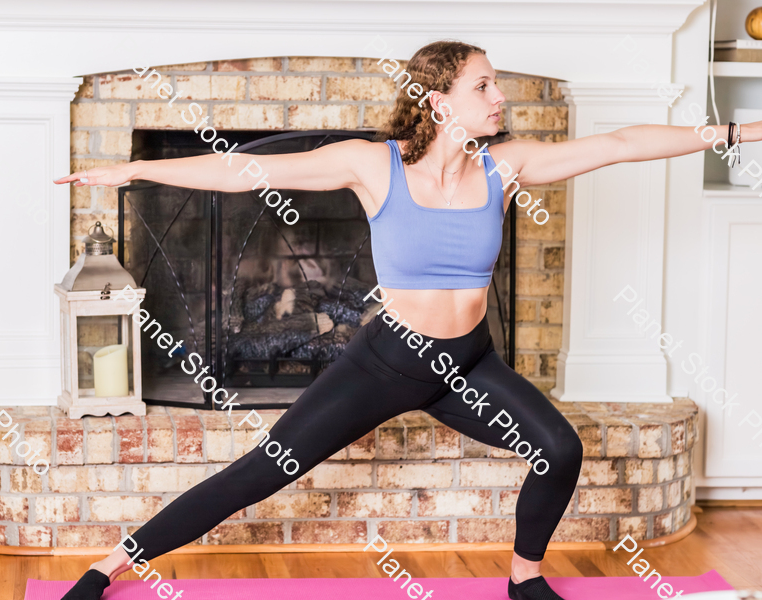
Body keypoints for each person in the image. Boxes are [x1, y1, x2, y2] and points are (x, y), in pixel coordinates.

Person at [53, 41, 761, 600]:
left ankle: (523, 576)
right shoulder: (373, 166)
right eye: (482, 85)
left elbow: (618, 144)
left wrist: (734, 129)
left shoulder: (504, 167)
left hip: (469, 365)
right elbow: (243, 171)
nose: (500, 97)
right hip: (386, 364)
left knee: (560, 448)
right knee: (262, 472)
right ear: (437, 99)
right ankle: (112, 564)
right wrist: (137, 173)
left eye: (497, 84)